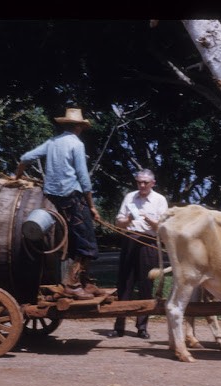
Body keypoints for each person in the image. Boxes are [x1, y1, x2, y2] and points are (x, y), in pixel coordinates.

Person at [14, 107, 102, 300]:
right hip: (74, 197)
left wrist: (17, 176)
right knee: (87, 243)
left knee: (73, 240)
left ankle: (86, 283)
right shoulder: (76, 144)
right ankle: (73, 285)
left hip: (54, 199)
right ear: (79, 127)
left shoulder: (52, 142)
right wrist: (92, 206)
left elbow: (26, 158)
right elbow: (83, 178)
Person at [107, 169, 168, 339]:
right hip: (129, 240)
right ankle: (119, 326)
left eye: (145, 182)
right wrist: (128, 220)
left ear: (152, 183)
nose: (142, 185)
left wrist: (149, 220)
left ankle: (142, 327)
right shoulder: (130, 197)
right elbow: (119, 222)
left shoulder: (159, 200)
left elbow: (163, 228)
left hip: (148, 243)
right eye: (139, 182)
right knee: (124, 283)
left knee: (145, 284)